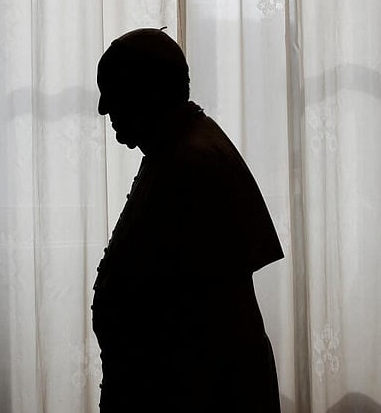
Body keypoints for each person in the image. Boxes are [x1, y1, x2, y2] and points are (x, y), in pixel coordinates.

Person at [91, 28, 284, 412]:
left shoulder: (192, 164)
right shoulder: (175, 151)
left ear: (149, 92)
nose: (104, 108)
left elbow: (196, 324)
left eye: (114, 91)